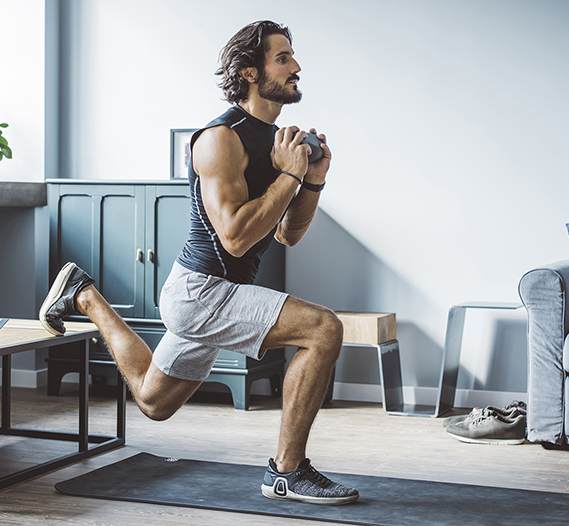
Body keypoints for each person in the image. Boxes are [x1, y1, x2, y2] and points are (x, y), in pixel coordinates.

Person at [40, 20, 358, 506]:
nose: (296, 67)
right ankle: (287, 472)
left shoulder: (273, 143)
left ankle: (83, 293)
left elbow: (288, 234)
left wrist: (311, 179)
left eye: (293, 57)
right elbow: (233, 238)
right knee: (323, 329)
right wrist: (289, 177)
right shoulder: (219, 138)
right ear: (250, 73)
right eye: (283, 58)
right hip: (204, 291)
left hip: (209, 295)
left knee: (153, 400)